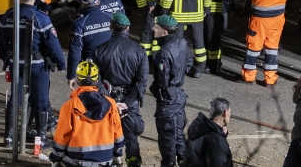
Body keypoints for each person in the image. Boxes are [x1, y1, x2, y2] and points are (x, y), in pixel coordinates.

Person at [0, 0, 65, 145]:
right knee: (41, 100)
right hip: (37, 64)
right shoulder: (41, 18)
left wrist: (8, 58)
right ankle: (40, 140)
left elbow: (0, 43)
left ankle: (9, 137)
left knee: (15, 99)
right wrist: (61, 63)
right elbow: (53, 44)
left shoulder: (8, 16)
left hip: (15, 63)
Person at [93, 12, 149, 167]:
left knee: (107, 134)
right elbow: (142, 81)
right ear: (128, 28)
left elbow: (96, 81)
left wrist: (110, 99)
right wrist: (128, 102)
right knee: (131, 136)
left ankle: (109, 161)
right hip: (129, 100)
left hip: (107, 100)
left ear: (111, 27)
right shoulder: (139, 51)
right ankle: (133, 162)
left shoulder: (99, 50)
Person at [47, 61, 125, 166]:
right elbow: (118, 133)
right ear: (97, 81)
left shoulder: (70, 106)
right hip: (104, 160)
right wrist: (117, 153)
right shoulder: (111, 103)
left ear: (77, 81)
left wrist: (55, 157)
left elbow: (62, 136)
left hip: (76, 160)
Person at [151, 15, 190, 167]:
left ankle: (169, 163)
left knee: (167, 136)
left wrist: (159, 88)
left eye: (157, 27)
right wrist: (179, 75)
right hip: (179, 95)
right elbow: (188, 61)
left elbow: (162, 80)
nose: (154, 29)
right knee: (178, 132)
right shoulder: (182, 42)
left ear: (165, 32)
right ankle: (184, 160)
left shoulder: (163, 53)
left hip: (168, 99)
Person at [69, 0, 114, 80]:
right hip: (112, 64)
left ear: (82, 4)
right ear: (98, 2)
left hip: (91, 70)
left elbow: (75, 53)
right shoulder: (110, 17)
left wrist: (71, 76)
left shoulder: (79, 24)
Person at [185, 98, 233, 167]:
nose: (230, 115)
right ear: (225, 112)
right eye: (230, 112)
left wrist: (221, 133)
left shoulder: (200, 129)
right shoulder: (216, 140)